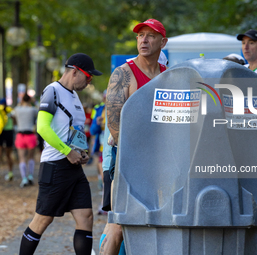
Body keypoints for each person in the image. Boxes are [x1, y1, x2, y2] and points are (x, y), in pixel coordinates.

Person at [19, 53, 102, 255]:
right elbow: (42, 127)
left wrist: (80, 152)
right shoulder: (52, 91)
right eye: (88, 76)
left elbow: (75, 132)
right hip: (55, 166)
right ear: (75, 71)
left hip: (73, 168)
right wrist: (67, 152)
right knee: (42, 219)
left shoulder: (75, 97)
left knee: (86, 217)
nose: (89, 81)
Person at [100, 18, 168, 255]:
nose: (144, 40)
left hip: (164, 166)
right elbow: (114, 124)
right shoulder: (124, 74)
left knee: (159, 225)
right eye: (140, 35)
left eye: (150, 35)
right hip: (128, 164)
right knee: (118, 225)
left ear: (163, 41)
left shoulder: (170, 76)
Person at [12, 93, 38, 187]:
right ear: (29, 100)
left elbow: (12, 116)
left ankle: (24, 178)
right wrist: (34, 102)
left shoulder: (17, 109)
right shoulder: (32, 109)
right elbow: (39, 111)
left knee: (22, 158)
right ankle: (30, 176)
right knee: (31, 157)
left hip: (20, 135)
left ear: (22, 100)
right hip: (30, 135)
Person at [0, 98, 14, 181]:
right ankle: (10, 172)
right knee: (9, 154)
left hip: (2, 132)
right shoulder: (10, 111)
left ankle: (10, 172)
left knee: (3, 154)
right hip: (9, 132)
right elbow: (15, 119)